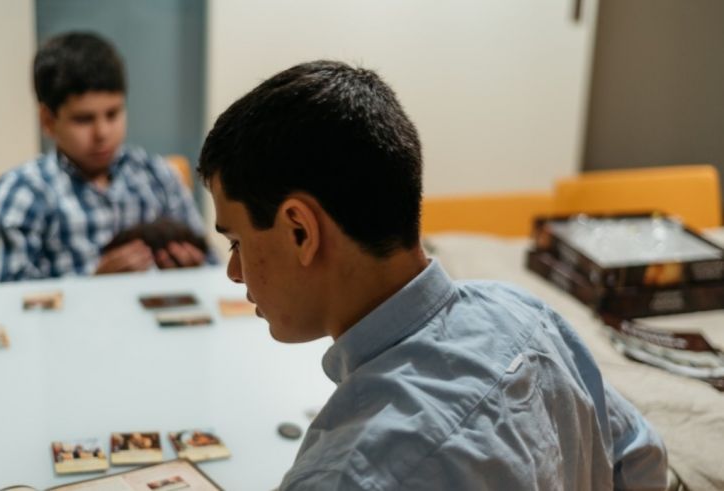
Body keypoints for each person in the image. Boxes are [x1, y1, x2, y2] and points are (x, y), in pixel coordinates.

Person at [198, 60, 668, 490]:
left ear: (300, 230)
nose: (235, 272)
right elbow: (643, 454)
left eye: (237, 242)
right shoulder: (525, 314)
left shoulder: (343, 475)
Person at [0, 32, 208, 282]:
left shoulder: (158, 175)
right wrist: (93, 285)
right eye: (83, 119)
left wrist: (194, 271)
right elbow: (5, 300)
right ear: (48, 120)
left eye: (113, 114)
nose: (102, 133)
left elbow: (214, 269)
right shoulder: (23, 192)